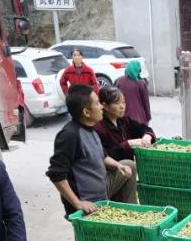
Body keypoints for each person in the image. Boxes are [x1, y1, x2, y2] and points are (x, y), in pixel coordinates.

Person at [47, 85, 131, 216]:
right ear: (86, 112)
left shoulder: (92, 129)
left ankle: (126, 212)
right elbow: (56, 174)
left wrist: (118, 165)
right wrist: (77, 203)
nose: (102, 107)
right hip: (87, 202)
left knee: (129, 165)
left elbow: (102, 156)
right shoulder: (70, 135)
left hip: (102, 191)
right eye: (97, 103)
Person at [94, 86, 155, 203]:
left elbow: (145, 128)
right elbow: (104, 156)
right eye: (117, 103)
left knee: (130, 167)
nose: (122, 106)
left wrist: (147, 136)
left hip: (126, 174)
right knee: (129, 165)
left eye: (123, 102)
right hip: (109, 176)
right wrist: (127, 144)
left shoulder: (124, 121)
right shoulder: (99, 128)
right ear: (105, 106)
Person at [114, 60, 152, 126]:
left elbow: (113, 98)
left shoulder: (118, 81)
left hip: (122, 117)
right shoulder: (141, 83)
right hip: (139, 118)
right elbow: (146, 102)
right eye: (139, 70)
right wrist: (148, 117)